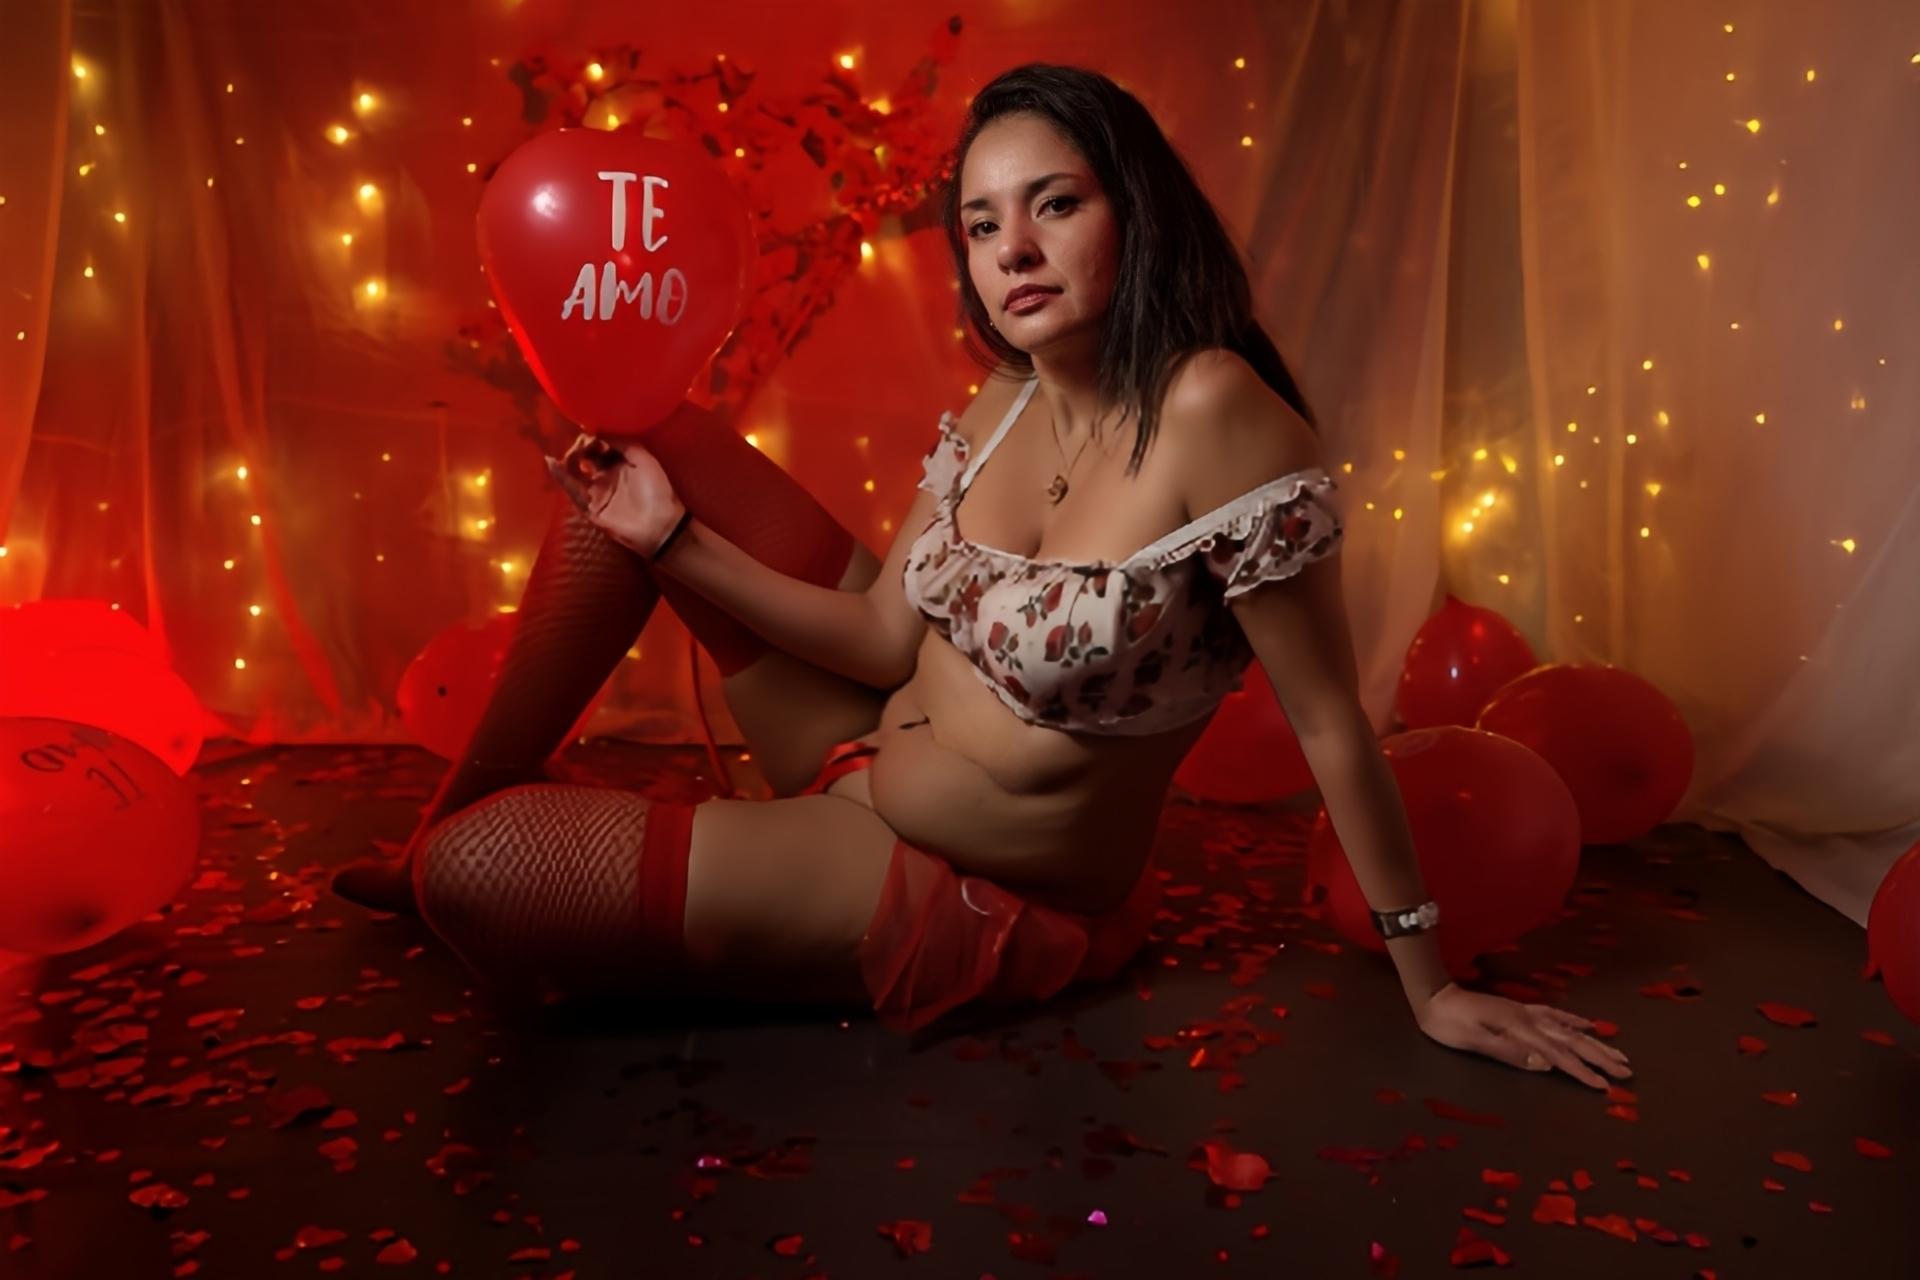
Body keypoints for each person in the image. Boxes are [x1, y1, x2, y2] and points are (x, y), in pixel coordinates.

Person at [332, 63, 1632, 1088]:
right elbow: (882, 636)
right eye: (981, 222)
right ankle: (448, 811)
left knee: (483, 875)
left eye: (1054, 204)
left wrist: (1429, 982)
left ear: (1136, 211)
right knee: (646, 464)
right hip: (863, 740)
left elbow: (1333, 723)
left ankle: (498, 857)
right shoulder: (1003, 402)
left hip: (960, 877)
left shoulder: (1216, 415)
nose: (1012, 249)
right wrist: (671, 542)